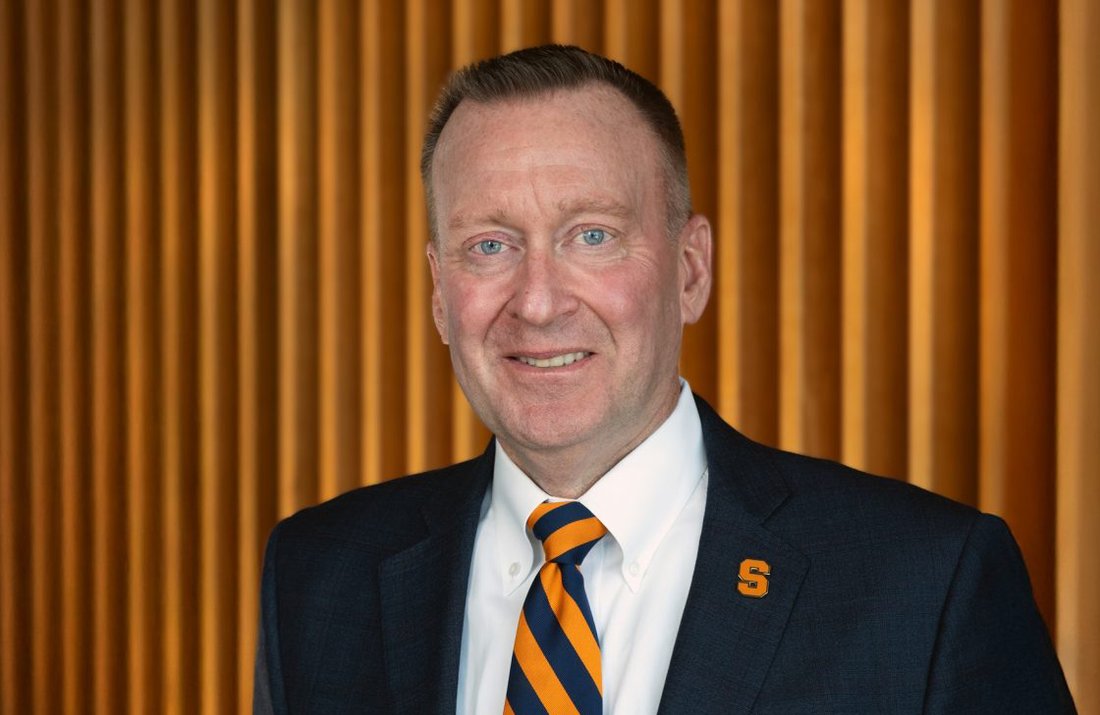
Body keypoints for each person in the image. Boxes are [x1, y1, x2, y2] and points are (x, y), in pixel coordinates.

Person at [254, 45, 1074, 714]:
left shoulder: (927, 588)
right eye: (490, 246)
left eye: (593, 235)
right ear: (440, 292)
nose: (538, 303)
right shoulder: (319, 578)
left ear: (690, 270)